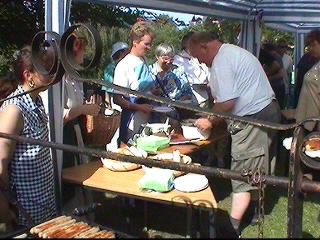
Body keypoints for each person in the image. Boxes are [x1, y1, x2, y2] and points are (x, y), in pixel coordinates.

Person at [188, 32, 281, 236]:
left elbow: (228, 103)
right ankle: (255, 211)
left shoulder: (222, 60)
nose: (199, 61)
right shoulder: (232, 52)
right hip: (266, 111)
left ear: (204, 46)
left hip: (253, 118)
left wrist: (209, 120)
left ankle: (232, 226)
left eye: (197, 55)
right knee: (257, 165)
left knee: (242, 171)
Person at [0, 46, 57, 231]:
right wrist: (5, 213)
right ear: (28, 75)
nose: (52, 73)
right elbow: (0, 163)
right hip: (24, 210)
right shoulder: (13, 110)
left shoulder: (38, 101)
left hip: (44, 201)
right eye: (46, 69)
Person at [113, 21, 155, 144]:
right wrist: (139, 107)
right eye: (146, 44)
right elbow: (117, 98)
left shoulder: (144, 60)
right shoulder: (124, 65)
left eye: (151, 44)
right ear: (135, 42)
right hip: (132, 120)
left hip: (146, 116)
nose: (149, 48)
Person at [173, 32, 211, 108]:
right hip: (189, 101)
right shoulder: (177, 60)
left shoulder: (198, 57)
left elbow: (208, 72)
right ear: (186, 44)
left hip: (205, 98)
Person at [295, 29, 320, 132]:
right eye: (309, 45)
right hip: (307, 121)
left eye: (314, 45)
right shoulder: (316, 65)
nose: (310, 48)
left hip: (314, 122)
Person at [102, 41, 129, 106]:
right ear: (121, 53)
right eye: (127, 51)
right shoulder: (111, 68)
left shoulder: (127, 65)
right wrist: (108, 105)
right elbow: (107, 88)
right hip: (117, 102)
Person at [260, 43, 286, 109]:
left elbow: (280, 74)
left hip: (277, 86)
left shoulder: (275, 57)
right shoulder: (275, 56)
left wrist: (266, 76)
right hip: (274, 86)